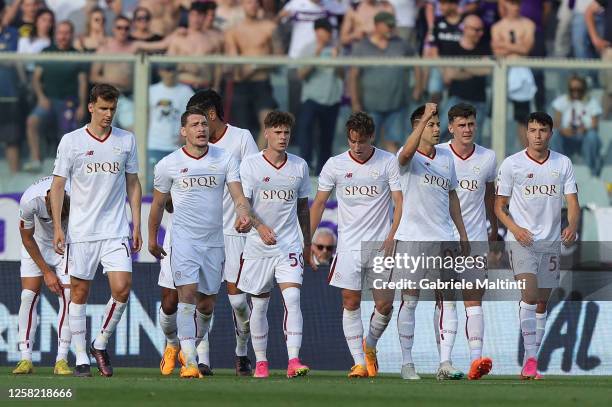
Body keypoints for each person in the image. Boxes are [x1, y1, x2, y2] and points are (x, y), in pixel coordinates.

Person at [148, 107, 252, 379]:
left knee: (206, 306)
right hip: (183, 241)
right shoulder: (168, 164)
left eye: (204, 124)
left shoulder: (225, 159)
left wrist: (243, 214)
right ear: (183, 131)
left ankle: (181, 346)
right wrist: (151, 237)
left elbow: (239, 197)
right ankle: (190, 361)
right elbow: (158, 204)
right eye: (194, 125)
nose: (201, 129)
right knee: (185, 298)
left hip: (214, 242)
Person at [50, 84, 142, 378]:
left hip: (115, 230)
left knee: (122, 288)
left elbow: (133, 182)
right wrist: (57, 228)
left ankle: (99, 342)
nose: (108, 114)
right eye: (103, 108)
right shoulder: (71, 141)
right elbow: (57, 186)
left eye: (112, 109)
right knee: (79, 292)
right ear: (91, 107)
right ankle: (80, 359)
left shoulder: (126, 140)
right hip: (81, 231)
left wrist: (136, 222)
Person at [310, 112, 402, 378]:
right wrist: (306, 240)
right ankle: (359, 362)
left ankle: (370, 345)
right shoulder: (335, 165)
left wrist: (393, 235)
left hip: (381, 244)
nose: (357, 147)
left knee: (384, 305)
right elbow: (318, 204)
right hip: (348, 245)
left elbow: (400, 202)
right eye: (352, 141)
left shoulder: (388, 162)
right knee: (350, 302)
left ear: (371, 137)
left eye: (362, 141)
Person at [495, 111, 580, 379]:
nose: (537, 135)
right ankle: (530, 359)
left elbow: (573, 202)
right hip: (521, 241)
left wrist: (572, 226)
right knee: (529, 295)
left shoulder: (562, 163)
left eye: (542, 130)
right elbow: (499, 206)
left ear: (550, 133)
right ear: (526, 133)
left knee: (542, 303)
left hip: (551, 242)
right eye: (532, 130)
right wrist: (516, 230)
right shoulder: (512, 164)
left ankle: (531, 360)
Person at [394, 103, 469, 380]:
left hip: (443, 239)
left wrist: (462, 233)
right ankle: (406, 363)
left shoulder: (447, 159)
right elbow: (404, 155)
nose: (437, 129)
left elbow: (452, 197)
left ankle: (445, 363)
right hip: (412, 238)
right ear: (418, 128)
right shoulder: (407, 158)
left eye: (438, 125)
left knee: (448, 302)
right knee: (410, 301)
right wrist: (424, 113)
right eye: (431, 124)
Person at [236, 111, 312, 379]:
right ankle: (261, 362)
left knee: (292, 298)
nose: (283, 137)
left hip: (288, 244)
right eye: (277, 132)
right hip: (258, 246)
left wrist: (307, 242)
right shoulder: (250, 165)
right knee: (260, 306)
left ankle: (293, 360)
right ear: (266, 133)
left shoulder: (300, 166)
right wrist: (259, 226)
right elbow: (243, 204)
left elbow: (303, 208)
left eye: (286, 133)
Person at [438, 103, 497, 380]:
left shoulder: (487, 158)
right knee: (446, 302)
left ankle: (476, 361)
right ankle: (445, 361)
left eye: (471, 124)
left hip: (475, 240)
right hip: (443, 240)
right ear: (450, 127)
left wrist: (494, 234)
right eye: (461, 125)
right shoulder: (437, 155)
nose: (467, 129)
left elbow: (490, 198)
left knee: (474, 301)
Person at [12, 176, 72, 376]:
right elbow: (26, 237)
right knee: (28, 296)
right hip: (36, 244)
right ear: (47, 202)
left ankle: (61, 359)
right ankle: (25, 358)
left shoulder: (78, 193)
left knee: (68, 297)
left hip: (67, 244)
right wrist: (47, 272)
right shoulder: (30, 200)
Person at [25, 20, 88, 173]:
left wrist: (82, 104)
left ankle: (65, 168)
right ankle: (36, 159)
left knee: (67, 135)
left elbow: (82, 83)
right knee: (32, 122)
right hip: (48, 100)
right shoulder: (46, 51)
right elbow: (36, 78)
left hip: (69, 102)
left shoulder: (77, 55)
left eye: (66, 33)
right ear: (55, 34)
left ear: (71, 35)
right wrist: (41, 97)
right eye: (60, 32)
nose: (63, 36)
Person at [349, 11, 413, 153]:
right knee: (368, 145)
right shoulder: (361, 47)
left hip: (397, 105)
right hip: (370, 106)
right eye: (388, 25)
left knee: (394, 145)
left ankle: (393, 175)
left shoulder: (402, 44)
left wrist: (418, 87)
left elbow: (418, 64)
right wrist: (355, 102)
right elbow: (353, 76)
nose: (391, 28)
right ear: (377, 25)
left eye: (392, 25)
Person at [224, 0, 282, 148]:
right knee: (243, 132)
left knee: (269, 125)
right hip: (241, 85)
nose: (253, 5)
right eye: (249, 2)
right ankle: (247, 165)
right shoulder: (233, 30)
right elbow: (233, 62)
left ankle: (256, 162)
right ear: (242, 5)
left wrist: (255, 66)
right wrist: (249, 68)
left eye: (256, 2)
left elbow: (279, 58)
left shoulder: (269, 28)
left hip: (261, 83)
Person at [296, 17, 343, 174]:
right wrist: (315, 56)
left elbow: (343, 75)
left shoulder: (337, 50)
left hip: (332, 99)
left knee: (326, 138)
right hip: (311, 98)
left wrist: (337, 60)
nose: (325, 35)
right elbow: (301, 74)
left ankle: (322, 172)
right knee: (306, 132)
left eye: (328, 32)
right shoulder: (307, 49)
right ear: (316, 32)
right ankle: (305, 167)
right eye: (322, 31)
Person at [491, 0, 535, 146]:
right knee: (497, 112)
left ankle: (527, 152)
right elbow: (496, 52)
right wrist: (517, 46)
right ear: (505, 5)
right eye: (512, 3)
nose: (515, 7)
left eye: (517, 3)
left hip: (522, 70)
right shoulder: (497, 27)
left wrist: (503, 44)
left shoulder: (528, 24)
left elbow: (526, 49)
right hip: (502, 71)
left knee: (523, 117)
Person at [440, 14, 491, 142]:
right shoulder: (452, 48)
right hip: (456, 99)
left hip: (479, 102)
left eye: (481, 30)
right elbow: (449, 75)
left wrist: (462, 67)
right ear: (465, 28)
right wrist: (475, 68)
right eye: (476, 29)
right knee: (439, 133)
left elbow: (487, 70)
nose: (480, 33)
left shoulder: (484, 48)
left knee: (474, 141)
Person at [147, 64, 194, 191]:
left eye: (173, 69)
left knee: (178, 186)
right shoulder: (151, 91)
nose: (171, 73)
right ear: (160, 71)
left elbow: (193, 117)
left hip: (176, 147)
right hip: (153, 145)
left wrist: (186, 137)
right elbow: (143, 116)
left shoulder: (187, 92)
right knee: (151, 185)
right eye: (167, 69)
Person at [90, 15, 137, 131]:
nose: (123, 31)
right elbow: (93, 76)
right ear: (113, 29)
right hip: (106, 98)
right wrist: (115, 81)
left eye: (126, 28)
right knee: (106, 133)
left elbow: (160, 45)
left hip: (127, 97)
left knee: (135, 133)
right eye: (119, 27)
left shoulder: (134, 47)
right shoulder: (104, 48)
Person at [550, 74, 602, 176]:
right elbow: (556, 124)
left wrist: (585, 130)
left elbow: (595, 125)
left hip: (584, 138)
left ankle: (591, 172)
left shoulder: (591, 102)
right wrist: (563, 130)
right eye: (573, 89)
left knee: (592, 136)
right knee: (554, 134)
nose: (576, 92)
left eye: (579, 89)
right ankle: (557, 171)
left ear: (584, 89)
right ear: (569, 89)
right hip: (566, 138)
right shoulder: (562, 100)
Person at [417, 0, 464, 105]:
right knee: (434, 95)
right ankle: (434, 119)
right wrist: (445, 72)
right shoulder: (437, 22)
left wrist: (454, 71)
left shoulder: (465, 22)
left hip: (462, 67)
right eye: (440, 4)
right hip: (440, 66)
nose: (440, 7)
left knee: (460, 101)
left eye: (443, 4)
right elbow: (433, 51)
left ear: (454, 4)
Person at [0, 0, 21, 173]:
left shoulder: (12, 33)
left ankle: (13, 183)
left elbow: (10, 59)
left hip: (8, 95)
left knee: (11, 139)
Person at [585, 0, 612, 118]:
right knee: (610, 92)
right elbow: (589, 11)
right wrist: (595, 38)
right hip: (610, 51)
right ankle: (603, 126)